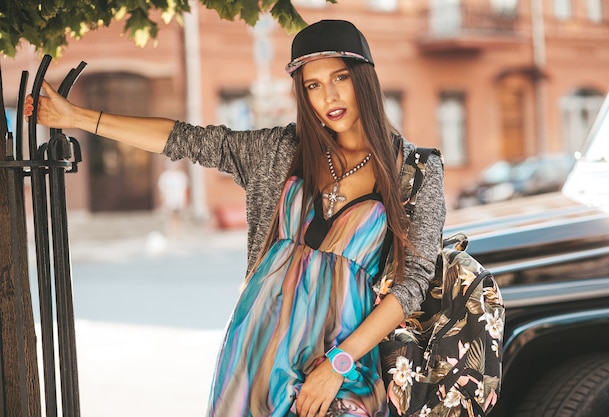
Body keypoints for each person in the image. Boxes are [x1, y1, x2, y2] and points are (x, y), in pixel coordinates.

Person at [25, 19, 446, 417]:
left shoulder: (416, 171)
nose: (328, 97)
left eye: (340, 78)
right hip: (257, 350)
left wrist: (338, 362)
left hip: (345, 359)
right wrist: (75, 118)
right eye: (313, 85)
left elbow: (414, 283)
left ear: (364, 78)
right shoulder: (281, 152)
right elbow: (184, 139)